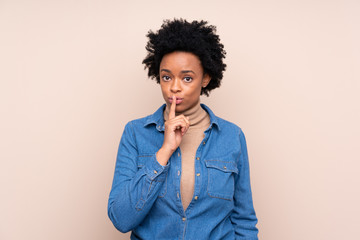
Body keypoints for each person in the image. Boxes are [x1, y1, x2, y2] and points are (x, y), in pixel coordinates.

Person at [108, 19, 258, 240]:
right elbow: (121, 218)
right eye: (166, 77)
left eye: (187, 78)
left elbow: (244, 221)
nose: (174, 87)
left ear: (205, 78)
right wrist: (164, 151)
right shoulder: (135, 133)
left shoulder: (232, 136)